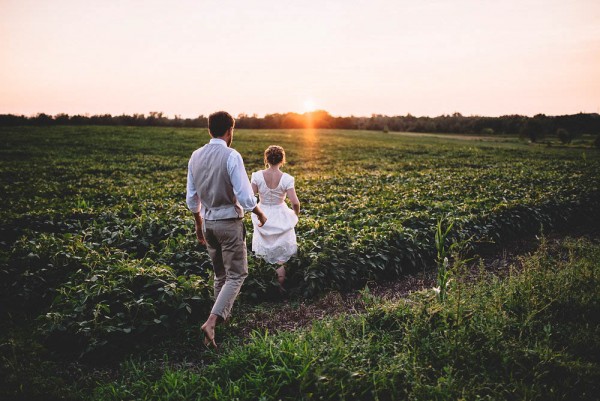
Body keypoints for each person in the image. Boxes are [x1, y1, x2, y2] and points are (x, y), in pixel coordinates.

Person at [186, 111, 267, 349]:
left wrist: (198, 226)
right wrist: (259, 212)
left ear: (209, 129)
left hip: (209, 223)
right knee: (237, 274)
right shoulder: (231, 155)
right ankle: (211, 322)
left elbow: (192, 198)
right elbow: (244, 195)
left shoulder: (195, 156)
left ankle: (221, 322)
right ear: (230, 130)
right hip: (229, 223)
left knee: (220, 274)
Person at [251, 145, 300, 291]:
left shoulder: (257, 176)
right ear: (282, 159)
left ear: (266, 159)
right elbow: (295, 202)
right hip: (281, 214)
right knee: (280, 258)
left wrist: (255, 212)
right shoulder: (287, 179)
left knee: (263, 251)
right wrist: (294, 215)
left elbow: (249, 197)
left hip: (262, 214)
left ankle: (263, 288)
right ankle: (280, 288)